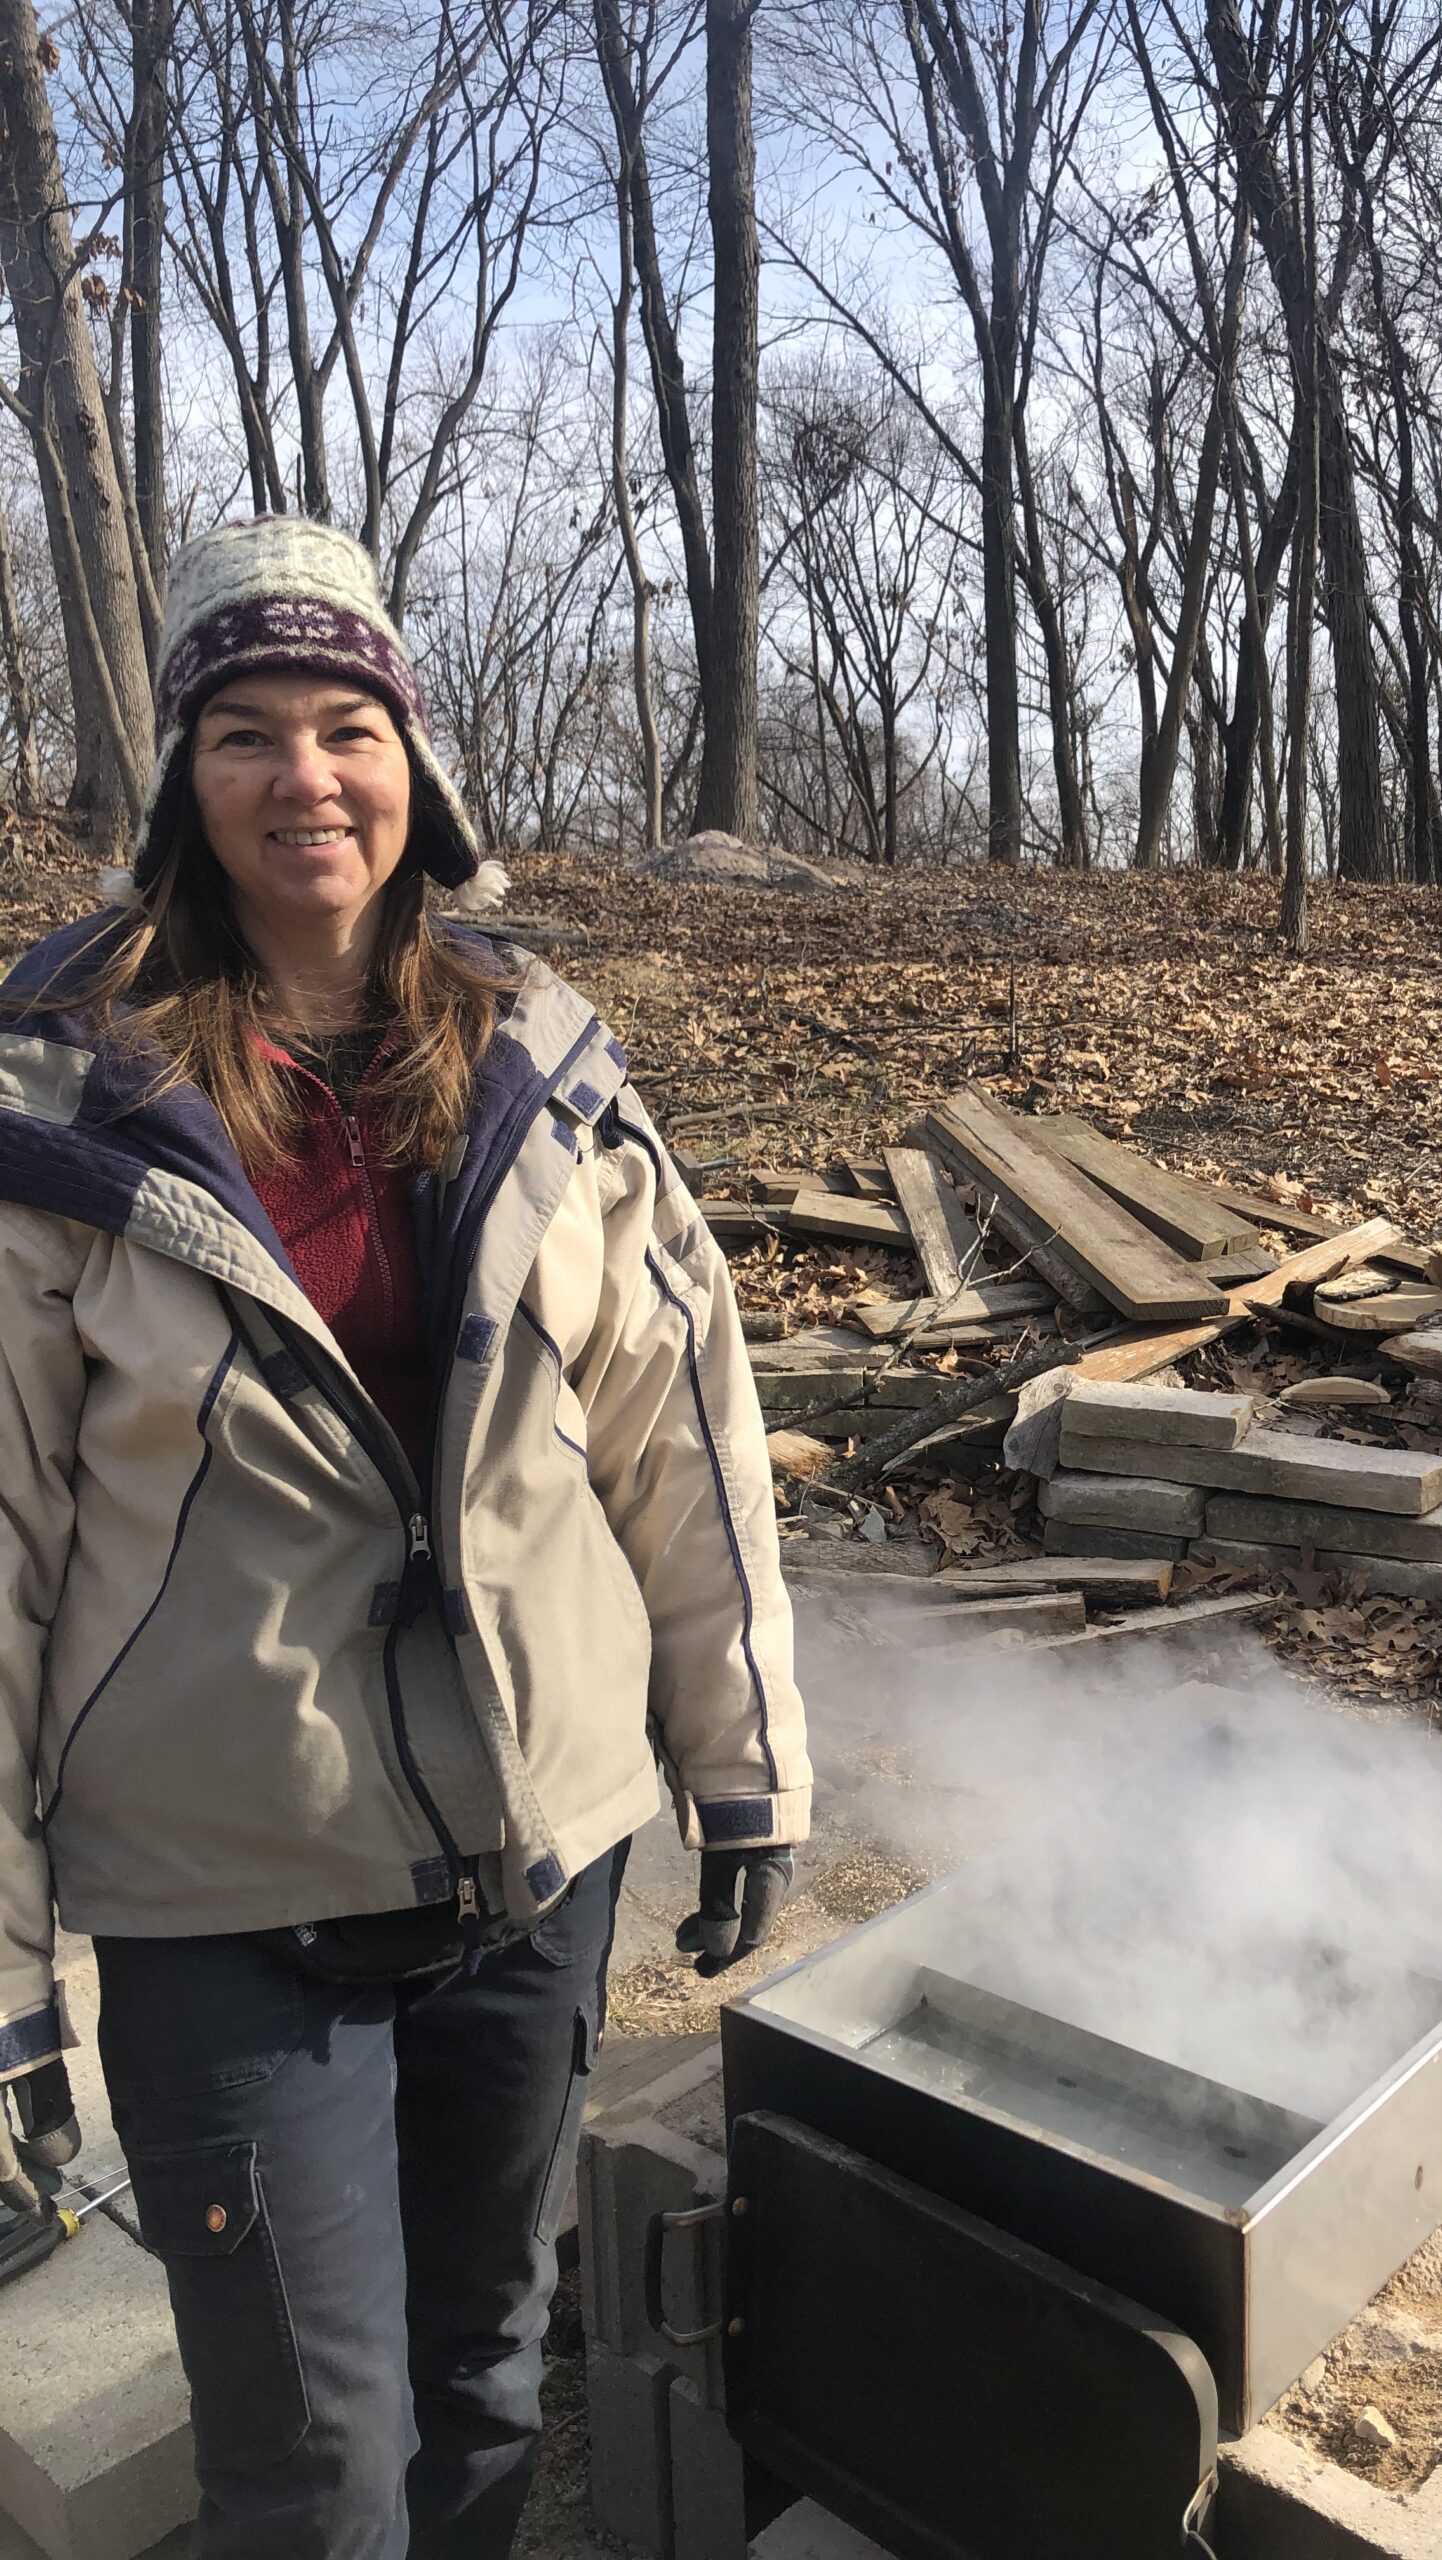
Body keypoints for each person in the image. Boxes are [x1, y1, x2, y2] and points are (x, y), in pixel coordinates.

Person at [0, 514, 810, 2558]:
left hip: (532, 1867)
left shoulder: (540, 1053)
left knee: (483, 2384)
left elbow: (679, 1433)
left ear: (413, 757)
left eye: (347, 722)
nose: (306, 776)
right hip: (228, 1900)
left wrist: (740, 1762)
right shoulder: (55, 1104)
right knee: (315, 2483)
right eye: (244, 730)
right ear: (180, 779)